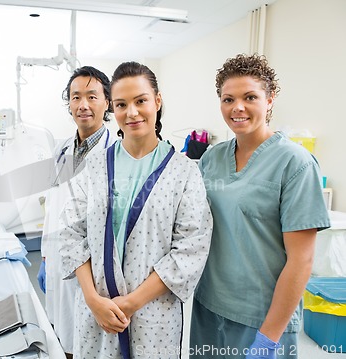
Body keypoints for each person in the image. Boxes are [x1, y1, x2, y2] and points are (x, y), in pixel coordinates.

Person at [59, 61, 212, 359]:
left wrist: (129, 304)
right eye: (121, 104)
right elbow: (71, 231)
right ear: (111, 109)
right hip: (96, 309)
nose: (131, 113)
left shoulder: (184, 172)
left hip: (152, 313)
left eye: (140, 101)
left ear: (157, 100)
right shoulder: (97, 165)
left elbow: (191, 248)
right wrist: (93, 300)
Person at [189, 53, 331, 359]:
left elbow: (302, 261)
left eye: (250, 97)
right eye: (228, 99)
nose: (237, 107)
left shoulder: (295, 164)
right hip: (208, 308)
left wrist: (268, 338)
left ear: (270, 100)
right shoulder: (212, 159)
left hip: (262, 318)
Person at [37, 65, 117, 357]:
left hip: (92, 269)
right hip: (57, 259)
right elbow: (52, 208)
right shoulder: (60, 150)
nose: (83, 105)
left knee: (88, 343)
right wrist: (45, 256)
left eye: (92, 97)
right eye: (75, 97)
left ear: (107, 102)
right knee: (60, 335)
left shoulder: (115, 154)